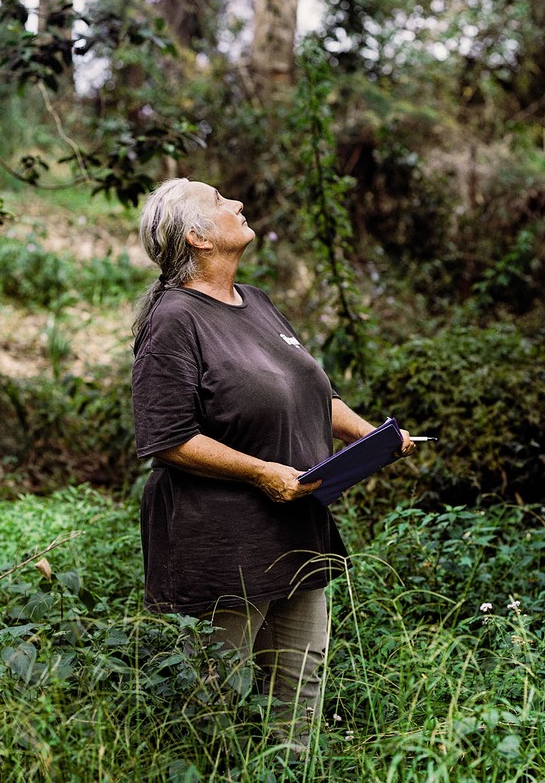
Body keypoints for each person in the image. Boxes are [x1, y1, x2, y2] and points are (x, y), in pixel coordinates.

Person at [130, 177, 414, 752]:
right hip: (221, 541)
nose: (236, 202)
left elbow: (311, 394)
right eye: (220, 201)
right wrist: (262, 471)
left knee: (300, 690)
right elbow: (168, 440)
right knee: (215, 703)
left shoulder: (255, 302)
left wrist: (374, 435)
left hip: (295, 528)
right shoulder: (174, 321)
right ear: (197, 237)